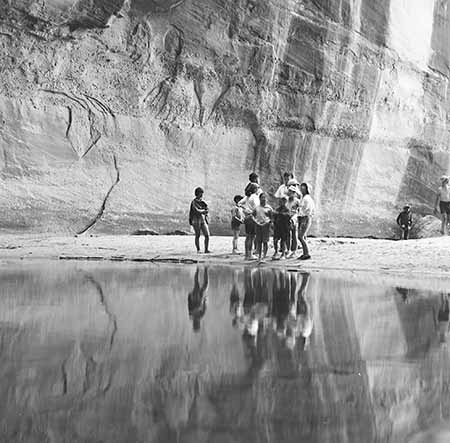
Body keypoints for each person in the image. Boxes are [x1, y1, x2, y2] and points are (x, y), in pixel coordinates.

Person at [239, 183, 260, 260]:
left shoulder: (247, 197)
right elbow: (257, 208)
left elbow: (239, 203)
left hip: (247, 218)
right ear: (255, 189)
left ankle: (246, 254)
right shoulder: (255, 197)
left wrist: (245, 210)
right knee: (252, 237)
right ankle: (250, 254)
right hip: (252, 217)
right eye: (257, 188)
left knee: (248, 237)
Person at [189, 187, 211, 253]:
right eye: (200, 193)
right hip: (196, 220)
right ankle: (198, 250)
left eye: (202, 193)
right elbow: (196, 210)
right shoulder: (193, 202)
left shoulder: (203, 202)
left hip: (202, 220)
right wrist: (203, 211)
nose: (201, 195)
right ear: (197, 194)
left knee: (207, 235)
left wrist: (205, 211)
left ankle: (206, 249)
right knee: (197, 235)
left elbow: (207, 208)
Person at [252, 193, 273, 262]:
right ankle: (260, 256)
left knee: (265, 241)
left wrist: (267, 222)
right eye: (262, 197)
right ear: (259, 198)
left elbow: (272, 218)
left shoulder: (269, 208)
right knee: (259, 241)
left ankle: (264, 256)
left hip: (266, 226)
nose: (264, 199)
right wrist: (256, 221)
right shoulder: (257, 208)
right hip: (258, 225)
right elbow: (252, 216)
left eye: (265, 198)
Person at [188, 267, 209, 332]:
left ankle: (199, 269)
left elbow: (189, 305)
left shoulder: (193, 315)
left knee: (198, 284)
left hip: (197, 298)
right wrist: (205, 300)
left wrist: (189, 296)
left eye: (197, 324)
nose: (197, 322)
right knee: (202, 284)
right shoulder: (198, 316)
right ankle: (203, 269)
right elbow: (204, 307)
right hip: (199, 298)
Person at [298, 183, 315, 260]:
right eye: (301, 188)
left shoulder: (306, 199)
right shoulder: (304, 198)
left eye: (304, 189)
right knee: (303, 236)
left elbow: (305, 210)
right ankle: (305, 252)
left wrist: (303, 218)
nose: (302, 190)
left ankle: (307, 253)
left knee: (300, 236)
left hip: (305, 217)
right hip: (305, 217)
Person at [286, 185, 301, 258]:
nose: (290, 193)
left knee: (294, 235)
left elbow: (300, 210)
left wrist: (296, 217)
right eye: (289, 191)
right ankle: (288, 250)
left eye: (291, 192)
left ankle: (294, 251)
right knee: (288, 235)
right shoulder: (286, 200)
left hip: (294, 218)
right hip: (287, 218)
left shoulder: (297, 201)